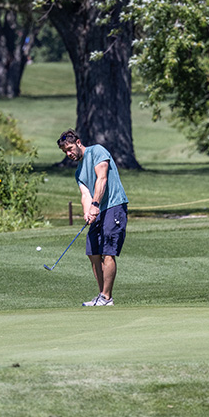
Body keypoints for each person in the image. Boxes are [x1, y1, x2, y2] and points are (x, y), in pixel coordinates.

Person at [57, 129, 129, 306]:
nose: (69, 154)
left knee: (108, 252)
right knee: (93, 252)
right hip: (98, 210)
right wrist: (87, 212)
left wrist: (95, 205)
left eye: (70, 148)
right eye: (65, 152)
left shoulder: (97, 151)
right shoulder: (79, 172)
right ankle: (101, 295)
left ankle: (106, 297)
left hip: (113, 206)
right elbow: (85, 195)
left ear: (78, 142)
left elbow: (101, 179)